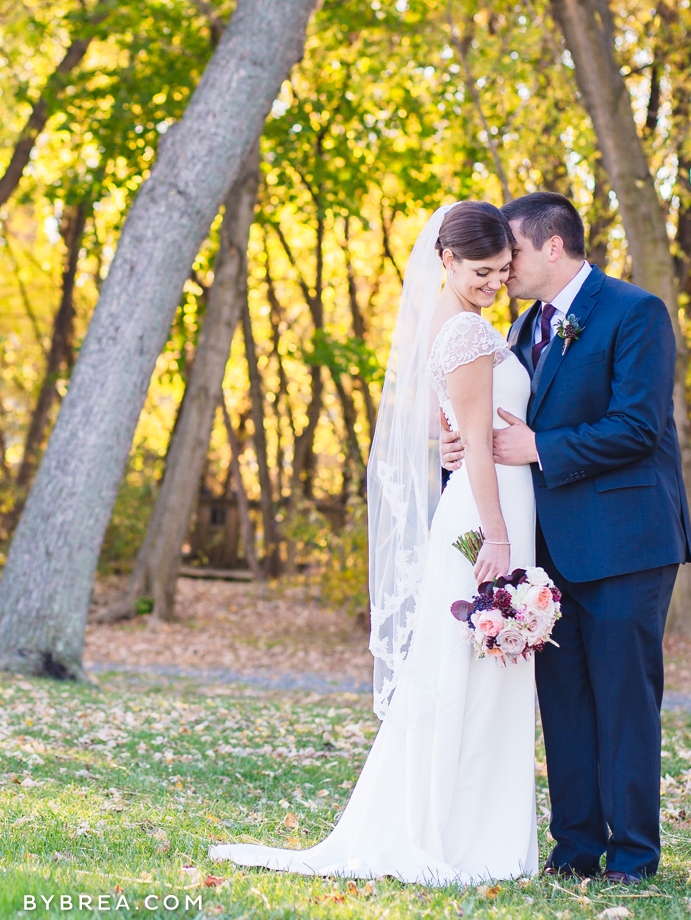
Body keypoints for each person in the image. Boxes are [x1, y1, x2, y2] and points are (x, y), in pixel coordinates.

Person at [209, 201, 539, 883]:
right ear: (445, 261)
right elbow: (474, 441)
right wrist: (499, 537)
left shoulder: (451, 324)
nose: (494, 283)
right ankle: (454, 834)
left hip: (484, 502)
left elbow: (445, 426)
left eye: (504, 271)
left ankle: (465, 827)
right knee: (466, 670)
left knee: (473, 668)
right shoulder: (468, 334)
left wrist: (456, 439)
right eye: (481, 270)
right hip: (488, 514)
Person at [441, 191, 691, 883]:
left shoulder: (634, 312)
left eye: (513, 251)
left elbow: (639, 426)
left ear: (552, 246)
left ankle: (634, 856)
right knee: (565, 708)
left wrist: (535, 447)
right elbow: (496, 415)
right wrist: (466, 446)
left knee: (624, 703)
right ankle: (576, 849)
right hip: (548, 554)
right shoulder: (524, 326)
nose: (504, 264)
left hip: (625, 546)